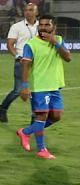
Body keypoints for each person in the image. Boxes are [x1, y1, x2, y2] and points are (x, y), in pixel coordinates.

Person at [16, 14, 71, 159]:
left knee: (56, 116)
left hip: (55, 85)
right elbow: (25, 66)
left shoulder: (58, 40)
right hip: (39, 86)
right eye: (41, 25)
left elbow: (68, 58)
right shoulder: (31, 44)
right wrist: (25, 87)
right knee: (42, 116)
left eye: (47, 25)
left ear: (54, 27)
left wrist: (55, 43)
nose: (43, 28)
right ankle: (41, 150)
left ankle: (25, 132)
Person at [0, 3, 38, 123]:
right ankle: (3, 108)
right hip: (21, 62)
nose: (28, 12)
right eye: (26, 10)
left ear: (36, 12)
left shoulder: (41, 26)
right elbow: (10, 45)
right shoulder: (17, 26)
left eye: (31, 10)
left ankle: (34, 118)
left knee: (36, 90)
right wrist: (18, 56)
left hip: (37, 63)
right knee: (18, 90)